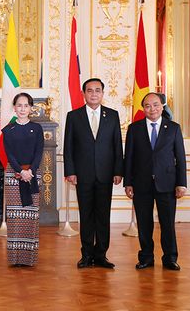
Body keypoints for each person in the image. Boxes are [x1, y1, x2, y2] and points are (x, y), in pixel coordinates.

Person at [63, 78, 123, 269]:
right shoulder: (73, 116)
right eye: (90, 90)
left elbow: (116, 145)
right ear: (84, 94)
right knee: (86, 215)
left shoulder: (113, 116)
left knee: (103, 216)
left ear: (102, 93)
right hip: (83, 174)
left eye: (98, 90)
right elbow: (68, 147)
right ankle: (87, 255)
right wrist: (70, 171)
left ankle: (101, 255)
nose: (94, 94)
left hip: (106, 174)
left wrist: (118, 171)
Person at [124, 92, 187, 271]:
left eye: (156, 105)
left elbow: (180, 158)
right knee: (144, 223)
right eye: (148, 106)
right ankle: (146, 257)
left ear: (162, 106)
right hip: (141, 183)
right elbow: (128, 157)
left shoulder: (173, 128)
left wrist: (181, 183)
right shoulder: (134, 129)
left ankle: (170, 258)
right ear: (143, 108)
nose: (152, 109)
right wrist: (128, 182)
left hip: (167, 183)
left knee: (167, 223)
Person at [2, 93, 43, 266]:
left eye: (26, 105)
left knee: (30, 215)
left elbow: (39, 151)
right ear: (14, 107)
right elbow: (9, 154)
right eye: (19, 105)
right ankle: (15, 258)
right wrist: (20, 171)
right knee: (14, 215)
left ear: (31, 108)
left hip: (33, 174)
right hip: (13, 174)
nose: (23, 109)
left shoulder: (37, 128)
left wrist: (30, 171)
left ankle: (28, 258)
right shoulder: (8, 129)